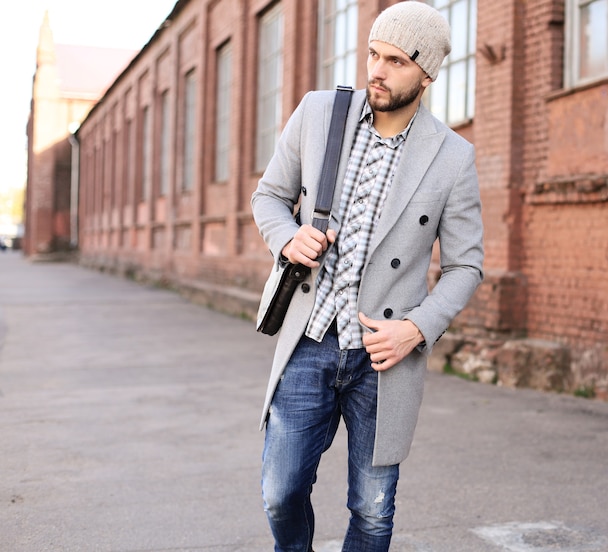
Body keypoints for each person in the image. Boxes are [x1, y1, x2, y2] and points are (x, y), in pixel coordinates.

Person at [251, 2, 484, 550]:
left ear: (426, 74)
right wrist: (288, 236)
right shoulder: (317, 115)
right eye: (373, 55)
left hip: (384, 355)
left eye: (396, 61)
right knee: (279, 492)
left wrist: (418, 328)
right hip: (309, 339)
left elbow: (465, 265)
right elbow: (269, 198)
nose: (376, 71)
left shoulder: (453, 157)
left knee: (373, 511)